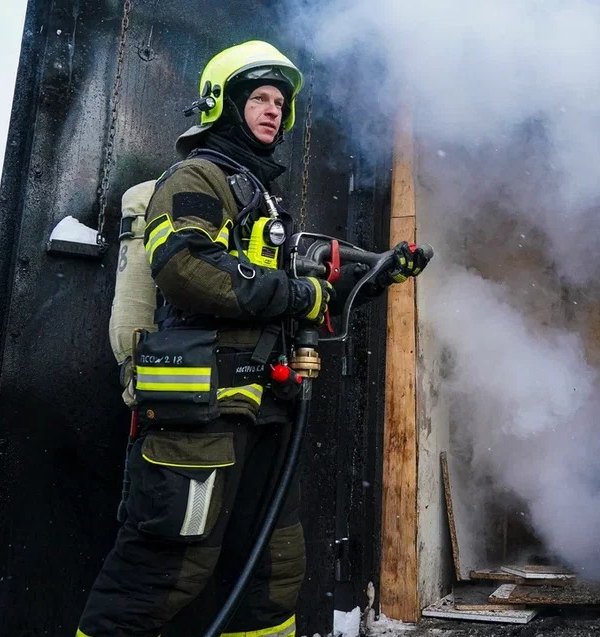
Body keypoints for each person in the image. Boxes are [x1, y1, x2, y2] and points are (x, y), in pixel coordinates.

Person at [76, 41, 427, 637]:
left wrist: (377, 277)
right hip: (201, 417)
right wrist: (297, 294)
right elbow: (185, 266)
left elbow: (301, 294)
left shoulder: (262, 198)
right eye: (259, 98)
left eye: (279, 103)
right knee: (162, 573)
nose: (272, 111)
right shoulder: (196, 177)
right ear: (222, 104)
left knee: (270, 573)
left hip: (263, 412)